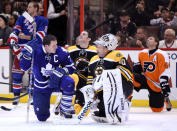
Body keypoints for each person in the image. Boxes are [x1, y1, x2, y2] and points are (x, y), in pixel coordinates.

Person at [78, 34, 133, 124]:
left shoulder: (117, 55)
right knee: (98, 98)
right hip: (103, 89)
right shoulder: (93, 59)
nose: (97, 49)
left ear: (107, 48)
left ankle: (119, 110)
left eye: (100, 46)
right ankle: (104, 112)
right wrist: (90, 89)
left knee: (107, 89)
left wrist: (105, 78)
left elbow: (126, 73)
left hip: (122, 88)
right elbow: (91, 76)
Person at [19, 35, 75, 121]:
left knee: (69, 82)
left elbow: (72, 67)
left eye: (56, 44)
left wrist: (62, 71)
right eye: (53, 45)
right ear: (46, 46)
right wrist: (26, 55)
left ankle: (64, 109)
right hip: (41, 87)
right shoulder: (36, 51)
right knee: (42, 117)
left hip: (56, 82)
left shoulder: (61, 52)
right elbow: (24, 68)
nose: (56, 47)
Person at [8, 1, 48, 105]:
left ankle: (33, 97)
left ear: (36, 9)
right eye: (28, 7)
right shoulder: (22, 18)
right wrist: (13, 37)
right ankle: (16, 97)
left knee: (34, 75)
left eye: (30, 7)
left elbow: (40, 38)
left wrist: (25, 37)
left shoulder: (43, 20)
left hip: (34, 50)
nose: (28, 9)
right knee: (17, 74)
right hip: (21, 49)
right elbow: (16, 30)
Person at [133, 36, 172, 112]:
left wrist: (163, 82)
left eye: (150, 39)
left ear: (156, 43)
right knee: (129, 77)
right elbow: (141, 68)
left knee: (156, 110)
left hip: (156, 84)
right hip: (146, 79)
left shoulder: (162, 54)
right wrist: (137, 68)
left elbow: (164, 70)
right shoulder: (142, 53)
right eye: (147, 39)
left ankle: (164, 98)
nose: (148, 40)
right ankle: (126, 99)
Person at [67, 31, 97, 115]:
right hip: (75, 78)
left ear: (89, 39)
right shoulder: (71, 49)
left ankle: (82, 103)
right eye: (80, 34)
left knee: (82, 113)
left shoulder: (94, 50)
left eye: (84, 34)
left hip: (87, 80)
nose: (80, 35)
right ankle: (67, 104)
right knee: (72, 78)